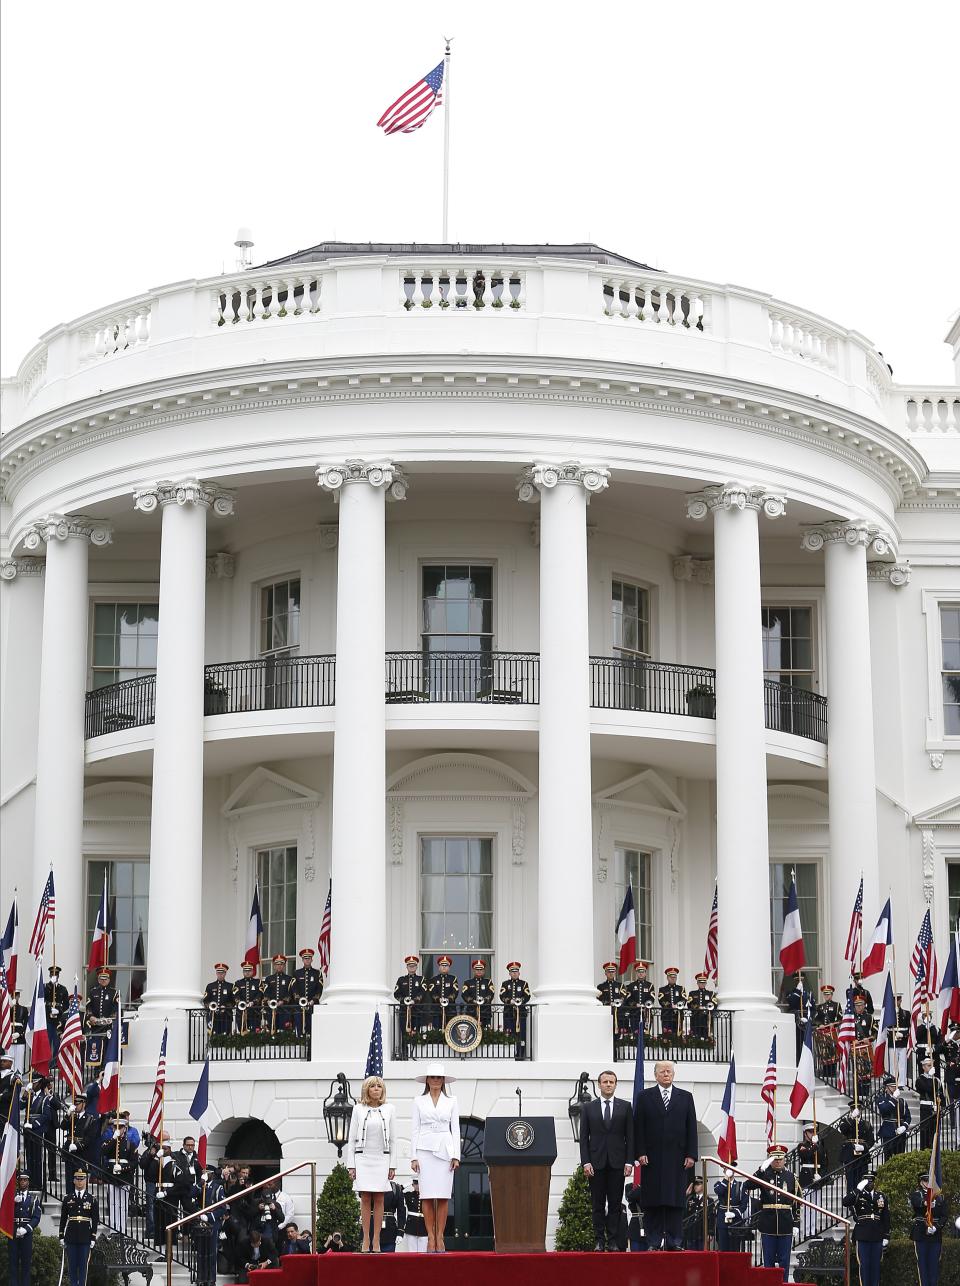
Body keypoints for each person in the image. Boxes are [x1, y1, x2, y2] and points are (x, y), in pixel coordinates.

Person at [634, 1059, 698, 1251]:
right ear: (655, 1075)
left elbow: (691, 1128)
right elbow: (639, 1127)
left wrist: (691, 1155)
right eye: (662, 1071)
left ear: (674, 1074)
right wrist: (640, 1152)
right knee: (653, 1202)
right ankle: (653, 1242)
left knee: (675, 1202)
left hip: (677, 1159)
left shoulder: (685, 1097)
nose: (666, 1074)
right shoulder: (645, 1097)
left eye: (669, 1071)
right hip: (651, 1160)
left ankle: (674, 1241)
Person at [578, 1069, 634, 1251]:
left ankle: (612, 1241)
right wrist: (585, 1162)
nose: (608, 1084)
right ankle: (599, 1240)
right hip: (596, 1164)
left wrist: (629, 1162)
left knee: (616, 1204)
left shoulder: (625, 1107)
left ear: (616, 1085)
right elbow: (583, 1137)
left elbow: (630, 1137)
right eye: (605, 1082)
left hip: (618, 1163)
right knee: (597, 1204)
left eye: (611, 1082)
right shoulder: (588, 1108)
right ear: (600, 1084)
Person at [410, 1063, 460, 1253]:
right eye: (433, 1077)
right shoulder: (418, 1101)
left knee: (444, 1196)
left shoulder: (452, 1101)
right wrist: (413, 1156)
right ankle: (430, 1237)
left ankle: (440, 1236)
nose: (436, 1081)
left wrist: (456, 1155)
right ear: (427, 1080)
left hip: (445, 1151)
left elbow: (455, 1128)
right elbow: (415, 1129)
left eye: (439, 1078)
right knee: (427, 1196)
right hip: (424, 1151)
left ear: (443, 1080)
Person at [347, 1073, 398, 1253]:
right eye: (372, 1086)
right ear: (366, 1089)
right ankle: (366, 1239)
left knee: (380, 1198)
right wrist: (350, 1165)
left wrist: (393, 1164)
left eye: (379, 1086)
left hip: (382, 1158)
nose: (376, 1089)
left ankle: (376, 1239)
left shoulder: (390, 1108)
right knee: (365, 1198)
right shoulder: (357, 1109)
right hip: (362, 1157)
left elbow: (393, 1139)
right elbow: (351, 1138)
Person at [745, 1142, 801, 1282]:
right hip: (768, 1223)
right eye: (774, 1159)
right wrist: (760, 1171)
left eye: (780, 1159)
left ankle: (783, 1283)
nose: (778, 1161)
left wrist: (796, 1223)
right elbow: (747, 1185)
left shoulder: (791, 1177)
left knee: (784, 1261)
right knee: (768, 1261)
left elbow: (797, 1201)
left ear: (785, 1159)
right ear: (770, 1160)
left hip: (786, 1223)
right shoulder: (764, 1175)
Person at [842, 1174, 889, 1286]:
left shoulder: (881, 1196)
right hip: (863, 1234)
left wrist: (886, 1235)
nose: (869, 1184)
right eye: (867, 1182)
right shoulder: (858, 1195)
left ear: (874, 1182)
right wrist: (857, 1189)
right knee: (864, 1265)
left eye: (871, 1182)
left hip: (877, 1234)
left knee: (876, 1266)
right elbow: (845, 1202)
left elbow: (886, 1217)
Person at [59, 1168, 99, 1286]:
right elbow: (63, 1218)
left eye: (82, 1179)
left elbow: (95, 1220)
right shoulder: (68, 1198)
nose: (80, 1182)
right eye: (78, 1179)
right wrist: (61, 1235)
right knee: (72, 1266)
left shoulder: (92, 1199)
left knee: (83, 1267)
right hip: (71, 1237)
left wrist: (93, 1237)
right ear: (74, 1181)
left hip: (85, 1237)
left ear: (86, 1181)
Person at [101, 1115, 137, 1233]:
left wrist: (123, 1168)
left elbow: (134, 1162)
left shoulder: (130, 1144)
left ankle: (122, 1229)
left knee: (123, 1205)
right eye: (115, 1127)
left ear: (125, 1128)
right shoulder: (110, 1141)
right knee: (113, 1204)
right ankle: (113, 1229)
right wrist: (113, 1139)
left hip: (124, 1176)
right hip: (112, 1175)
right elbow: (104, 1152)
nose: (118, 1129)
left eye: (120, 1127)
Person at [910, 1171, 947, 1286]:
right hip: (921, 1233)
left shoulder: (940, 1197)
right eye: (926, 1181)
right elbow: (917, 1203)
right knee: (922, 1264)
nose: (928, 1183)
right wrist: (927, 1202)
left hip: (935, 1234)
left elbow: (944, 1216)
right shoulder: (917, 1194)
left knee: (934, 1264)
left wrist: (936, 1227)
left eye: (930, 1181)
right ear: (921, 1182)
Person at [189, 1165, 225, 1286]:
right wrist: (200, 1183)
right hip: (200, 1222)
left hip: (212, 1222)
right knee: (201, 1252)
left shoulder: (218, 1188)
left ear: (211, 1174)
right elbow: (190, 1194)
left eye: (206, 1172)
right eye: (203, 1172)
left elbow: (222, 1209)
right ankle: (201, 1277)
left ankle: (211, 1279)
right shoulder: (200, 1186)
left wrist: (209, 1217)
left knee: (211, 1252)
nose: (204, 1174)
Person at [9, 1173, 41, 1286]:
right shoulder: (12, 1196)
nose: (23, 1182)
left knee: (26, 1264)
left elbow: (36, 1217)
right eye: (21, 1180)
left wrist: (26, 1229)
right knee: (13, 1263)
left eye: (25, 1180)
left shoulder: (34, 1199)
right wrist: (12, 1203)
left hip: (26, 1234)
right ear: (18, 1182)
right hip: (13, 1232)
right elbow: (5, 1213)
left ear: (28, 1182)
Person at [838, 1103, 875, 1192]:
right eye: (853, 1108)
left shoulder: (866, 1124)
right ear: (851, 1110)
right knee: (851, 1181)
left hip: (863, 1156)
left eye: (858, 1108)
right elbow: (843, 1129)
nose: (856, 1110)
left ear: (861, 1110)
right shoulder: (845, 1121)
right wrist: (851, 1118)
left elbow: (871, 1140)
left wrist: (863, 1147)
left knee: (862, 1181)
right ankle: (851, 1204)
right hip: (849, 1155)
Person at [713, 1167, 750, 1252]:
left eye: (731, 1169)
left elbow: (744, 1204)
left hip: (736, 1220)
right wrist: (726, 1179)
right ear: (724, 1171)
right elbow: (720, 1191)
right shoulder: (718, 1184)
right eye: (726, 1169)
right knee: (723, 1248)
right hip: (722, 1219)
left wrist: (735, 1213)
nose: (729, 1171)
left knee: (735, 1248)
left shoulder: (740, 1185)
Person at [876, 1074, 911, 1160]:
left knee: (900, 1158)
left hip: (900, 1132)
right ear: (886, 1088)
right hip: (888, 1132)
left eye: (896, 1086)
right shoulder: (881, 1099)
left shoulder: (902, 1101)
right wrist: (894, 1098)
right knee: (889, 1158)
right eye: (892, 1087)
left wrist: (904, 1126)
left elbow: (908, 1117)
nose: (895, 1088)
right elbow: (885, 1110)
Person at [500, 961, 531, 1056]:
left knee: (521, 1034)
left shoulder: (524, 984)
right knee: (509, 1033)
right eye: (512, 972)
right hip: (508, 1013)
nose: (514, 973)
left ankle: (521, 1054)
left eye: (516, 971)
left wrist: (520, 1000)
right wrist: (509, 1001)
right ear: (509, 973)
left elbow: (527, 995)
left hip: (520, 1013)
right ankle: (509, 1054)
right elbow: (502, 995)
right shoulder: (505, 984)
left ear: (519, 973)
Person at [290, 946, 323, 1036]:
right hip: (299, 1006)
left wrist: (313, 1000)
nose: (307, 960)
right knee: (299, 1028)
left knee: (312, 1029)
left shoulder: (317, 973)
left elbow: (319, 989)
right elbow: (294, 988)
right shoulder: (296, 973)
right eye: (305, 958)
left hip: (313, 1005)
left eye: (309, 958)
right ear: (302, 960)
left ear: (312, 959)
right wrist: (299, 1000)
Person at [916, 1057, 946, 1148]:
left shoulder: (937, 1080)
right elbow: (929, 1089)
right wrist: (930, 1077)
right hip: (926, 1109)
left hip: (936, 1109)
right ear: (923, 1067)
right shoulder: (919, 1080)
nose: (931, 1067)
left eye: (932, 1066)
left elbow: (941, 1094)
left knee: (935, 1133)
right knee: (925, 1133)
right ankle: (925, 1153)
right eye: (929, 1066)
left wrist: (942, 1106)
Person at [395, 954, 427, 1039]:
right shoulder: (401, 980)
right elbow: (396, 994)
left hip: (417, 1011)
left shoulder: (421, 979)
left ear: (416, 967)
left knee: (416, 1034)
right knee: (405, 1034)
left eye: (413, 966)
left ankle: (415, 1051)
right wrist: (404, 1000)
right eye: (410, 966)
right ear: (407, 967)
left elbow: (423, 992)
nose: (412, 967)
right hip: (404, 1012)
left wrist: (415, 1001)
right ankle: (405, 1052)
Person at [813, 984, 842, 1077]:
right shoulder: (820, 1006)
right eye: (825, 994)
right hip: (823, 1033)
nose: (826, 996)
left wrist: (834, 1024)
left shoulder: (837, 1005)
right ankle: (825, 1074)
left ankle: (832, 1073)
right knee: (824, 1054)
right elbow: (816, 1019)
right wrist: (819, 1024)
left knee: (833, 1053)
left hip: (832, 1033)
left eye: (828, 994)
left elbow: (841, 1018)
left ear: (832, 994)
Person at [425, 956, 459, 1031]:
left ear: (449, 967)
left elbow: (455, 991)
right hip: (436, 1010)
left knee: (451, 1030)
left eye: (446, 965)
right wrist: (438, 999)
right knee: (437, 1030)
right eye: (442, 965)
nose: (444, 967)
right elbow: (432, 992)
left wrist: (448, 1000)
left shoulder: (453, 979)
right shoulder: (433, 979)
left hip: (450, 1010)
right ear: (439, 967)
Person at [262, 953, 292, 1034]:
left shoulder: (289, 979)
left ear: (284, 965)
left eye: (281, 964)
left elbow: (290, 993)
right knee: (271, 1030)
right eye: (277, 964)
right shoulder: (269, 979)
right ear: (274, 966)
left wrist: (283, 1001)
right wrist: (268, 1001)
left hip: (284, 1009)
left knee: (283, 1031)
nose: (279, 966)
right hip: (271, 1009)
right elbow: (266, 992)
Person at [625, 961, 656, 1036]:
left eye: (643, 972)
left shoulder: (650, 985)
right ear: (636, 973)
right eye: (639, 972)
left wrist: (646, 1005)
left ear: (645, 973)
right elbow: (628, 999)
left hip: (646, 1013)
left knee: (646, 1034)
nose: (641, 973)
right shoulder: (631, 986)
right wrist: (636, 1004)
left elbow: (652, 998)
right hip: (634, 1014)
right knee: (635, 1033)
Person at [597, 962, 629, 1035]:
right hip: (606, 1013)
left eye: (613, 971)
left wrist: (617, 1002)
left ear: (615, 973)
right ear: (605, 973)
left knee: (617, 1035)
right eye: (609, 971)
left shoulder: (620, 986)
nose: (611, 973)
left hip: (619, 1014)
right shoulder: (601, 987)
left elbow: (623, 997)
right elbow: (599, 999)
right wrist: (607, 1003)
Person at [461, 958, 494, 1027]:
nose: (479, 971)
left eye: (481, 969)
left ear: (484, 971)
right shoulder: (468, 982)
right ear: (474, 970)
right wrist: (473, 1001)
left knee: (486, 1032)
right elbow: (464, 995)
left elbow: (491, 993)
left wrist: (484, 1000)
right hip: (471, 1011)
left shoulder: (488, 982)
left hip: (485, 1012)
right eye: (477, 969)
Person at [682, 1176, 713, 1249]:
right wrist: (685, 1195)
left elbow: (711, 1217)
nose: (695, 1186)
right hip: (691, 1232)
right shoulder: (690, 1199)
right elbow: (684, 1213)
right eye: (695, 1184)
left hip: (702, 1232)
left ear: (703, 1185)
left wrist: (710, 1233)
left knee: (702, 1256)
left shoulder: (708, 1200)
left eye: (698, 1184)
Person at [203, 962, 234, 1035]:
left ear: (225, 973)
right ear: (216, 973)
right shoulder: (210, 986)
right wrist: (211, 1006)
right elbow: (205, 1000)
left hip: (226, 1015)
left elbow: (233, 1001)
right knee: (214, 1034)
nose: (220, 974)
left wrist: (226, 1007)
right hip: (214, 1015)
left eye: (222, 973)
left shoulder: (230, 986)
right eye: (218, 972)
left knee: (225, 1034)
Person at [85, 966, 118, 1032]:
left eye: (105, 979)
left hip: (108, 1025)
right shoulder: (93, 991)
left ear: (109, 980)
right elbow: (88, 1006)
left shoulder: (114, 993)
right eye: (101, 978)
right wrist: (91, 1016)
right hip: (94, 1025)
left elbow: (116, 1007)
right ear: (98, 980)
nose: (103, 980)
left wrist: (110, 1018)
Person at [686, 973, 717, 1040]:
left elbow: (715, 1003)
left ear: (706, 983)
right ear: (697, 983)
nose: (702, 984)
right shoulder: (692, 993)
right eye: (700, 982)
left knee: (706, 1036)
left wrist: (706, 1008)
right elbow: (689, 1003)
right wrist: (698, 1007)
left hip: (706, 1019)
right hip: (695, 1018)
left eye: (704, 982)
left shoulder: (710, 994)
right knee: (696, 1036)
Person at [234, 960, 262, 1033]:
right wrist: (241, 1003)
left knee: (255, 1032)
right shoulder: (238, 983)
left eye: (249, 970)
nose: (247, 972)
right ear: (243, 972)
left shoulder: (258, 982)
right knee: (242, 1032)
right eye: (245, 970)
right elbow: (236, 995)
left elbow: (260, 994)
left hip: (255, 1012)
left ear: (252, 971)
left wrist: (253, 1002)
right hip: (241, 1012)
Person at [658, 968, 686, 1041]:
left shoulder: (681, 989)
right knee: (667, 1035)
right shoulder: (662, 989)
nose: (673, 979)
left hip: (678, 1015)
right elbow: (661, 1000)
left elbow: (684, 999)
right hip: (666, 1016)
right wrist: (671, 1006)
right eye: (671, 977)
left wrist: (678, 1006)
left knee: (678, 1036)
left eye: (674, 977)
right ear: (667, 978)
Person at [889, 993, 911, 1086]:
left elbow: (909, 1028)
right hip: (892, 1040)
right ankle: (893, 1082)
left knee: (902, 1064)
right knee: (893, 1064)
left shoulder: (906, 1013)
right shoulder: (889, 1013)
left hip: (902, 1042)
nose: (896, 1002)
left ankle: (901, 1083)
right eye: (895, 1000)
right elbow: (887, 1027)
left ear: (900, 1001)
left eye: (898, 1000)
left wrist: (903, 1035)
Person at [796, 1123, 826, 1190]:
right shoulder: (802, 1146)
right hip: (807, 1176)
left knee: (817, 1199)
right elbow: (806, 1155)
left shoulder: (820, 1146)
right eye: (810, 1132)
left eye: (814, 1131)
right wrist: (814, 1145)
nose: (813, 1133)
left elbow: (824, 1162)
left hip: (818, 1174)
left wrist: (821, 1176)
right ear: (805, 1134)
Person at [401, 1177, 427, 1252]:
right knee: (412, 1251)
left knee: (423, 1252)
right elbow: (398, 1191)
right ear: (413, 1185)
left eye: (419, 1183)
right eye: (415, 1183)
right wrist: (407, 1183)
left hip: (424, 1226)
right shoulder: (409, 1195)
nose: (417, 1186)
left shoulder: (427, 1196)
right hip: (411, 1226)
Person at [380, 1179, 407, 1252]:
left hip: (389, 1229)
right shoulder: (370, 1185)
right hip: (371, 1228)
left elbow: (401, 1212)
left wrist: (400, 1231)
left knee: (388, 1261)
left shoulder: (396, 1188)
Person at [45, 965, 69, 1038]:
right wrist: (50, 984)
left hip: (59, 1019)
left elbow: (66, 1005)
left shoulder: (63, 989)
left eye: (56, 974)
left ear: (58, 976)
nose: (54, 976)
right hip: (48, 1018)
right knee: (48, 1040)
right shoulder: (46, 986)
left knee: (57, 1041)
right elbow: (43, 999)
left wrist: (59, 1011)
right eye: (52, 974)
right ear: (49, 975)